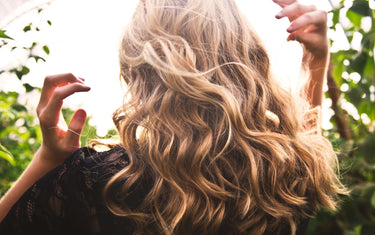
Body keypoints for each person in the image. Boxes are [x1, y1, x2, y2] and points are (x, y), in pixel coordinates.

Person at [0, 0, 346, 234]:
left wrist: (49, 158)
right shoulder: (279, 170)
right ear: (245, 51)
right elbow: (304, 142)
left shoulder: (101, 183)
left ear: (138, 66)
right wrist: (315, 59)